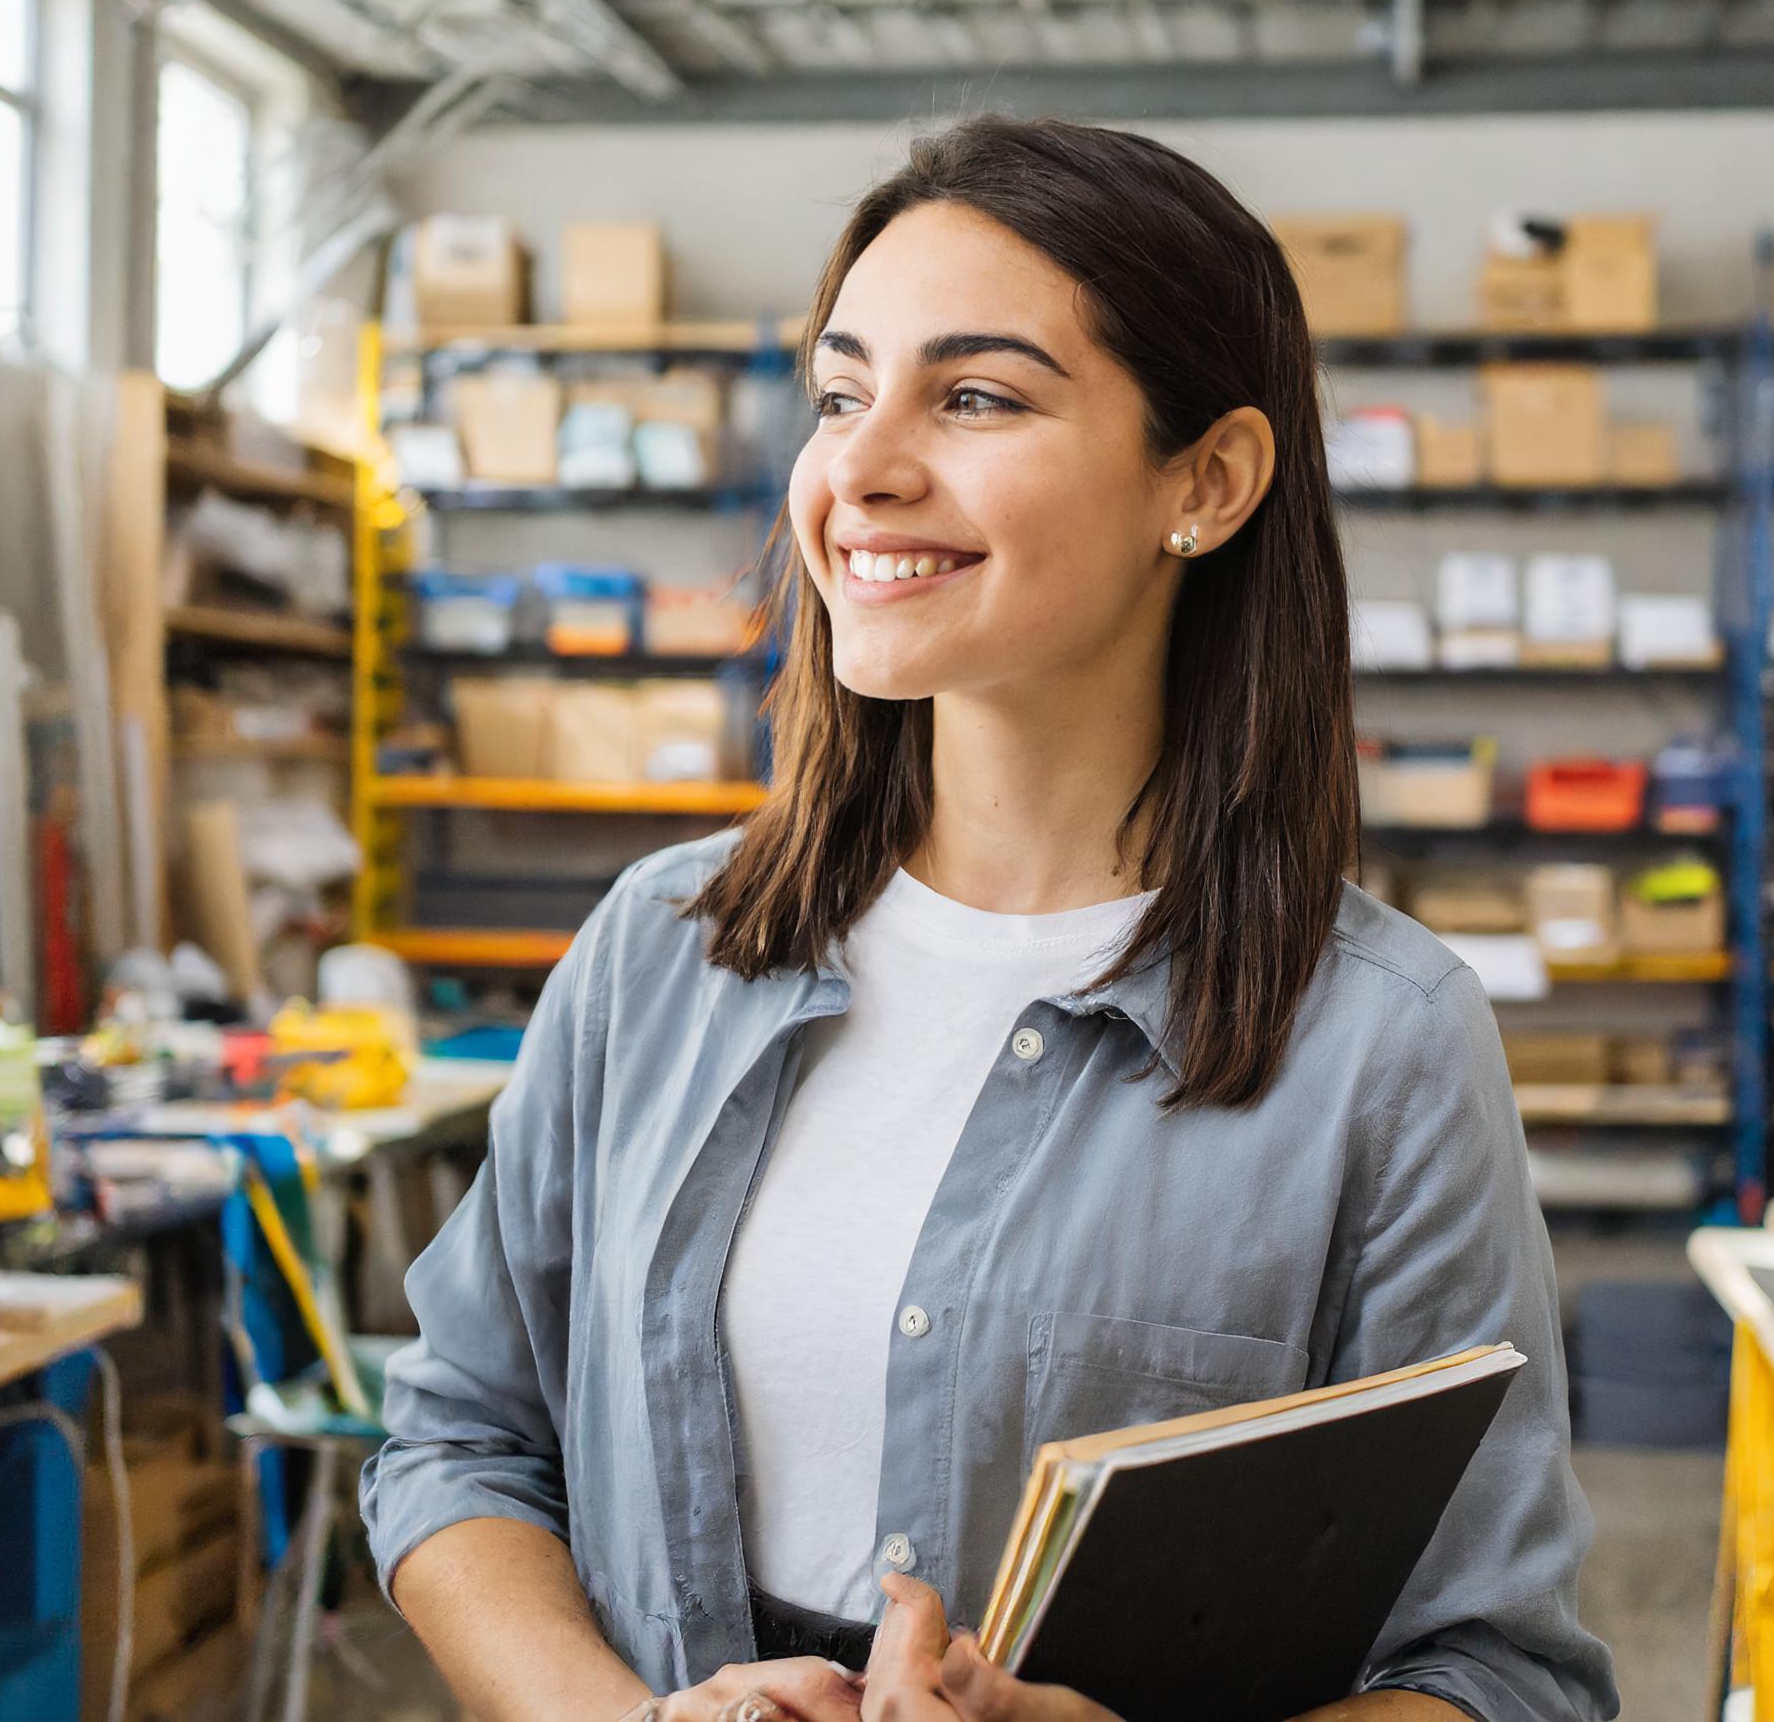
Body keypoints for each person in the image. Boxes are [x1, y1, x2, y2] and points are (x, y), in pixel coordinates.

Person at [360, 116, 1618, 1722]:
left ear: (1210, 481)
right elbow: (463, 1440)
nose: (861, 469)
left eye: (975, 396)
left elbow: (1498, 1673)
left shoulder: (1379, 1042)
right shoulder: (659, 949)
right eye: (839, 393)